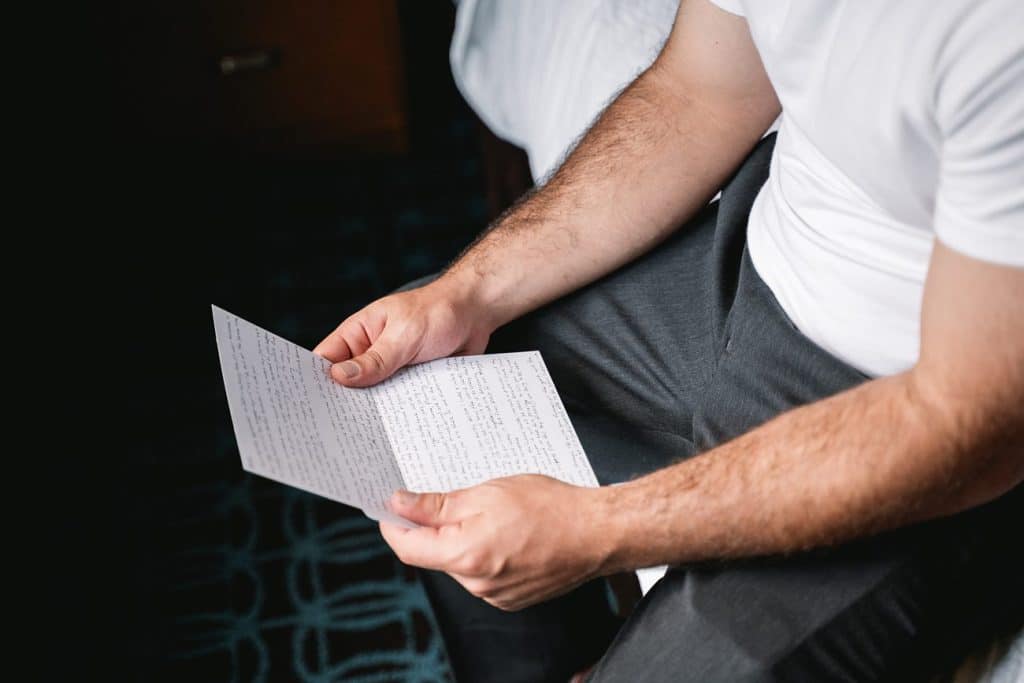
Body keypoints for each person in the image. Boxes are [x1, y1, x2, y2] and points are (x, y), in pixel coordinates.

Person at [314, 1, 1024, 680]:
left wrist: (596, 530)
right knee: (428, 405)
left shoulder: (998, 34)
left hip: (921, 414)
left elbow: (967, 421)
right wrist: (464, 293)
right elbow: (698, 94)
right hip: (744, 266)